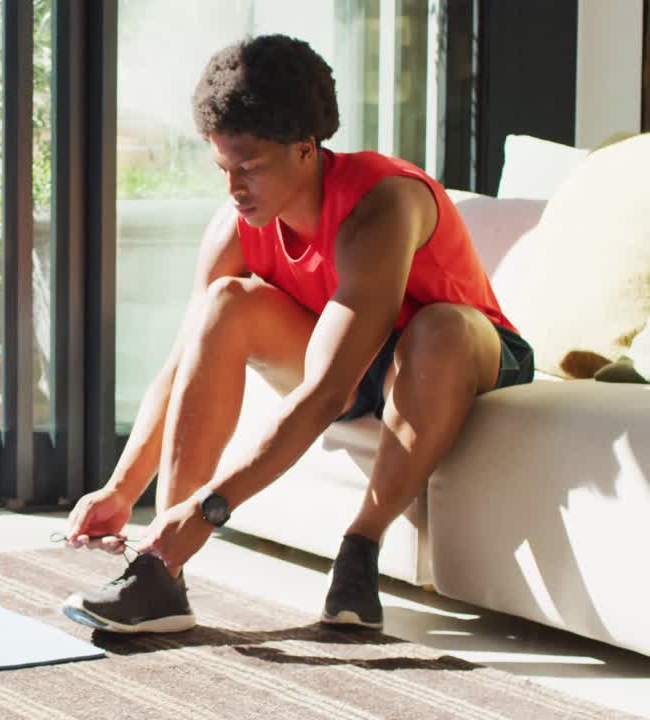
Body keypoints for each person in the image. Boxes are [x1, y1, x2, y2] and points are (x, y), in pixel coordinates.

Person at [61, 34, 533, 633]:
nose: (234, 189)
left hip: (459, 352)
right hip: (354, 360)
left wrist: (206, 512)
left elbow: (327, 392)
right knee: (224, 303)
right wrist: (122, 488)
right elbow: (183, 361)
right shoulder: (237, 223)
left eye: (250, 168)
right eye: (223, 168)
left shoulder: (381, 206)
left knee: (436, 330)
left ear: (307, 150)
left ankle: (360, 546)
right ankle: (161, 573)